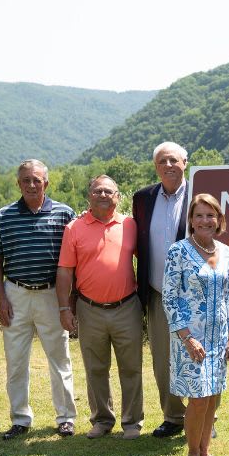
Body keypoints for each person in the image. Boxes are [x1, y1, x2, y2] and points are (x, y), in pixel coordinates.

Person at [0, 159, 79, 440]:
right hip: (16, 293)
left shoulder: (65, 214)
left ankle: (65, 417)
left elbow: (74, 260)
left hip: (52, 294)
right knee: (15, 360)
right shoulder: (4, 216)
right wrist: (0, 298)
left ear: (46, 183)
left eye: (36, 179)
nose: (31, 184)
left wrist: (70, 302)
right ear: (18, 184)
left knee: (59, 358)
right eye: (25, 180)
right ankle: (20, 418)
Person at [57, 175, 144, 439]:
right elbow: (64, 272)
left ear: (118, 197)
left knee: (131, 367)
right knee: (95, 368)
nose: (103, 195)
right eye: (97, 191)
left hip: (127, 306)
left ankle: (132, 423)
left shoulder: (130, 225)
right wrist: (64, 308)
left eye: (109, 191)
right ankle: (102, 420)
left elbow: (148, 258)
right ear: (89, 197)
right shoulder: (74, 228)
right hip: (89, 308)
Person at [163, 193, 229, 456]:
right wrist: (187, 338)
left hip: (219, 337)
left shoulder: (226, 252)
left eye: (211, 215)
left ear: (219, 219)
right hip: (190, 338)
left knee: (213, 395)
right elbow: (169, 299)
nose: (205, 220)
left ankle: (207, 452)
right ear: (191, 221)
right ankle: (193, 454)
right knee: (198, 399)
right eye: (199, 215)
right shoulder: (178, 252)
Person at [132, 141, 193, 438]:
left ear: (185, 162)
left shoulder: (201, 195)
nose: (168, 166)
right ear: (155, 167)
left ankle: (204, 416)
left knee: (198, 355)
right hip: (157, 293)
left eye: (173, 160)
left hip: (196, 295)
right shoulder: (142, 199)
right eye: (161, 162)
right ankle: (173, 416)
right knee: (162, 360)